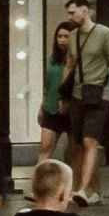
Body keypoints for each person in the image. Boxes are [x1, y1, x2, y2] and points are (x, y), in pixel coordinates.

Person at [60, 0, 109, 206]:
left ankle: (83, 189)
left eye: (73, 12)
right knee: (77, 144)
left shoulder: (105, 34)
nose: (70, 16)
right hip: (78, 94)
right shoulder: (74, 35)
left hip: (99, 93)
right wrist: (63, 93)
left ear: (85, 11)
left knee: (89, 141)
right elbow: (69, 64)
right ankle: (92, 189)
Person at [35, 24, 75, 171]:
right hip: (50, 108)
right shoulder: (53, 59)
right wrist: (42, 106)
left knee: (72, 153)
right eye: (59, 36)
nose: (62, 40)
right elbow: (47, 84)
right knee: (45, 149)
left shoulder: (76, 59)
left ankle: (69, 188)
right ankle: (37, 187)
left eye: (66, 36)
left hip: (71, 109)